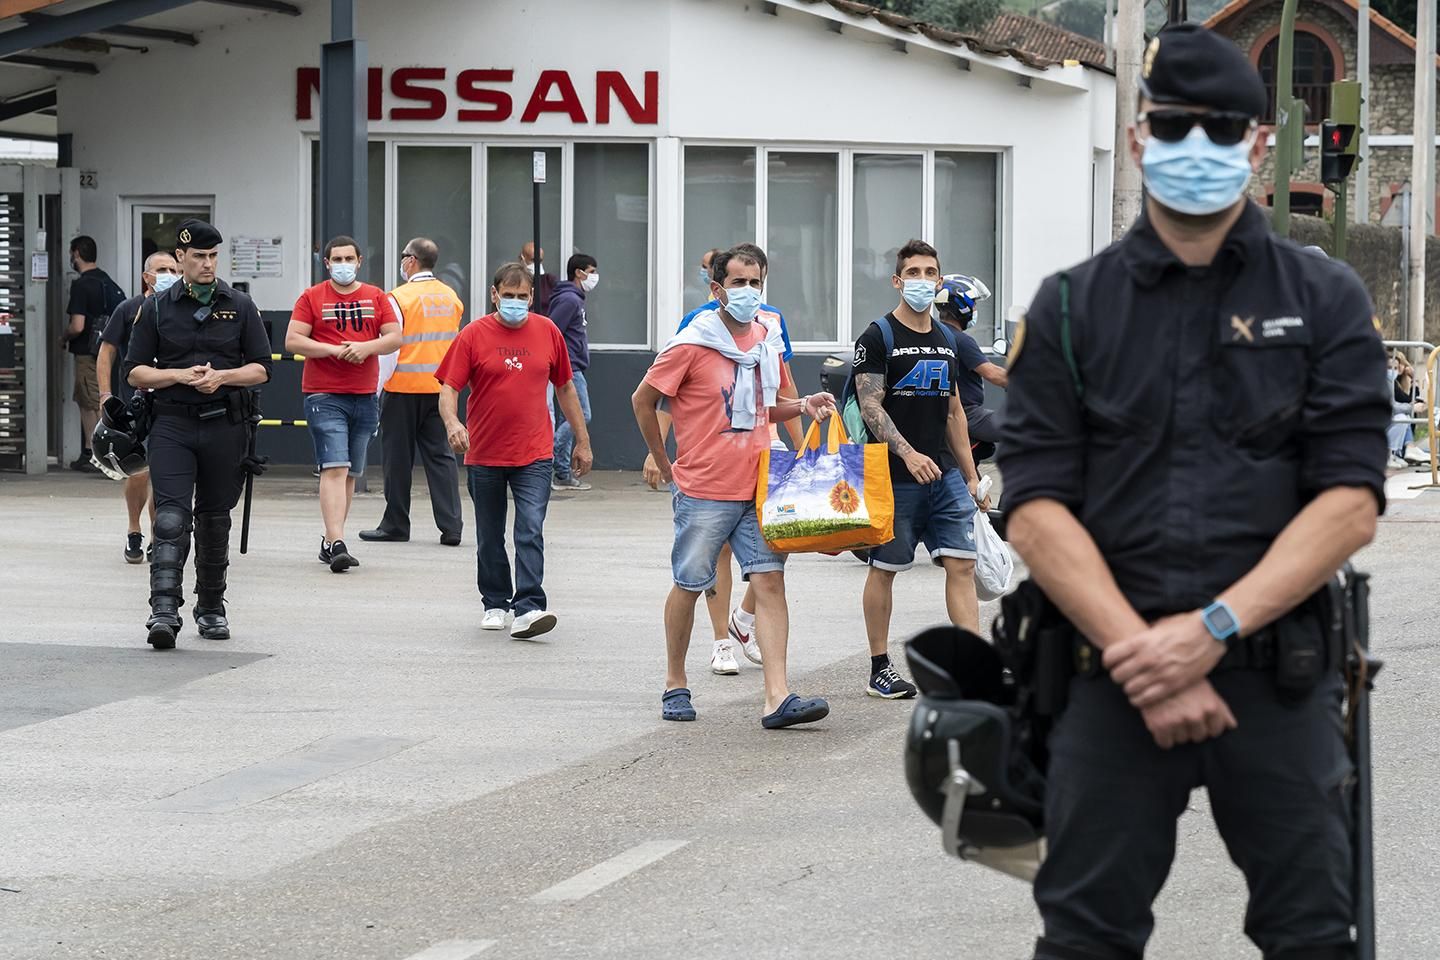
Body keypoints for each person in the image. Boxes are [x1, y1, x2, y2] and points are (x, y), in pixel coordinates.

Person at [999, 24, 1390, 959]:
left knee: (1311, 937)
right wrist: (1144, 653)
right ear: (1139, 135)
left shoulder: (1326, 296)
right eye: (1176, 125)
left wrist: (1207, 633)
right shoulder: (1067, 306)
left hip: (1276, 675)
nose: (1199, 147)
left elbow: (1350, 498)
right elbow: (1034, 502)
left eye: (1225, 130)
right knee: (1084, 938)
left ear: (1259, 146)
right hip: (1110, 673)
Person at [632, 244, 835, 729]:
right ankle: (675, 682)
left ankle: (777, 697)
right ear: (717, 289)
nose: (749, 292)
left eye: (756, 282)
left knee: (769, 580)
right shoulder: (692, 342)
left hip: (758, 484)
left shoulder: (765, 337)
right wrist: (665, 461)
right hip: (703, 487)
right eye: (739, 282)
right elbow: (644, 400)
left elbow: (765, 407)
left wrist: (802, 405)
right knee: (690, 583)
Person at [123, 219, 271, 649]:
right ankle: (163, 611)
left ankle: (211, 607)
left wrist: (222, 376)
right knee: (170, 517)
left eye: (213, 257)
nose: (208, 264)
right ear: (181, 259)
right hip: (172, 423)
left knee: (213, 518)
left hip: (225, 423)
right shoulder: (155, 307)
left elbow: (263, 367)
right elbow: (133, 370)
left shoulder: (240, 304)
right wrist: (176, 375)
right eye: (200, 257)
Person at [852, 240, 989, 701]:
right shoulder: (877, 336)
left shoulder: (948, 339)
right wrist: (907, 453)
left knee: (962, 565)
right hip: (894, 475)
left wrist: (971, 476)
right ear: (898, 280)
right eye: (913, 272)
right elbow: (871, 406)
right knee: (886, 568)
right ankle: (879, 669)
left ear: (940, 281)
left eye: (930, 272)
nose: (922, 281)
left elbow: (954, 414)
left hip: (946, 474)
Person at [437, 261, 593, 641]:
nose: (516, 303)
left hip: (534, 453)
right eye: (509, 296)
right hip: (485, 452)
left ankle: (529, 607)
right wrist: (453, 424)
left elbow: (566, 388)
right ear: (494, 295)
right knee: (490, 533)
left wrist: (582, 440)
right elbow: (448, 388)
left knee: (529, 529)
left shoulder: (547, 332)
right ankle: (494, 602)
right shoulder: (473, 335)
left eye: (523, 297)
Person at [285, 235, 402, 572]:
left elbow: (395, 336)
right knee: (334, 466)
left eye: (348, 259)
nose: (343, 266)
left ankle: (330, 538)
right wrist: (334, 350)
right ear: (326, 263)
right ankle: (337, 542)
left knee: (351, 471)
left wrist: (366, 348)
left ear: (359, 261)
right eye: (336, 260)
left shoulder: (375, 296)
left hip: (364, 394)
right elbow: (293, 340)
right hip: (324, 393)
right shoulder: (312, 297)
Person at [362, 237, 465, 545]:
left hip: (403, 389)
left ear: (411, 261)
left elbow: (389, 352)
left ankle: (396, 524)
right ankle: (452, 527)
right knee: (442, 458)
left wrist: (374, 389)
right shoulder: (451, 297)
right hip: (440, 391)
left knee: (397, 459)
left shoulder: (397, 298)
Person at [96, 251, 180, 562]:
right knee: (139, 472)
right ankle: (134, 529)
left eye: (173, 268)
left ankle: (160, 535)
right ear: (147, 276)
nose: (169, 273)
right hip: (135, 405)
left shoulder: (181, 309)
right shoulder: (128, 309)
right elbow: (106, 354)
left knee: (165, 473)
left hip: (172, 403)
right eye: (162, 269)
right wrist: (106, 396)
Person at [62, 235, 125, 472]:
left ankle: (95, 453)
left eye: (71, 252)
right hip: (107, 350)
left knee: (90, 401)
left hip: (88, 353)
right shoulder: (107, 281)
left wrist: (63, 337)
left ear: (76, 253)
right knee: (97, 398)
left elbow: (77, 326)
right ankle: (100, 452)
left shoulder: (82, 285)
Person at [934, 273, 1007, 451]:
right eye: (974, 303)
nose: (975, 309)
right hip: (966, 413)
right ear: (962, 304)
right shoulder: (961, 340)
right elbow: (992, 373)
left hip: (940, 412)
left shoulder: (936, 333)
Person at [548, 252, 598, 492]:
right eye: (592, 271)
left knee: (565, 418)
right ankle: (550, 455)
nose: (595, 277)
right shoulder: (569, 300)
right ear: (579, 273)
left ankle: (562, 473)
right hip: (571, 367)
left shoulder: (575, 299)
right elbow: (553, 330)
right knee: (580, 415)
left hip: (574, 364)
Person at [519, 242, 557, 316]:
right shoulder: (514, 280)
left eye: (539, 261)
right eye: (533, 260)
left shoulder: (550, 281)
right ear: (523, 258)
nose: (536, 264)